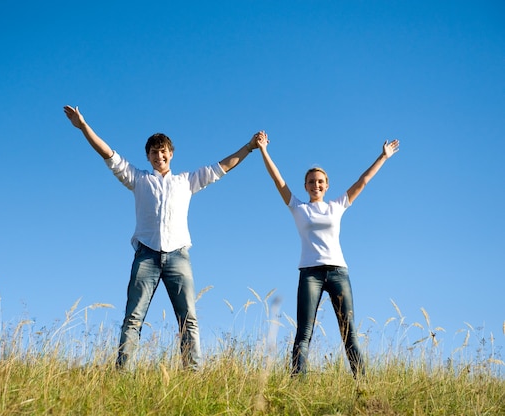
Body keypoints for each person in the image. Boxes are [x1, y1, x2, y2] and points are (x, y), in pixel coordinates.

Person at [64, 105, 264, 370]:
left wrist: (249, 147)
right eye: (154, 152)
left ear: (171, 154)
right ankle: (123, 372)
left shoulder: (187, 180)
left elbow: (223, 166)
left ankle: (192, 373)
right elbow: (107, 153)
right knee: (133, 317)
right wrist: (83, 127)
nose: (159, 155)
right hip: (146, 255)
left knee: (188, 319)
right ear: (148, 157)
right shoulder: (138, 179)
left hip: (178, 256)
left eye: (163, 151)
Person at [256, 132, 400, 377]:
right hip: (310, 274)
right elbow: (278, 180)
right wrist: (263, 151)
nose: (316, 185)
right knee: (304, 332)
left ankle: (362, 383)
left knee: (349, 331)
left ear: (327, 185)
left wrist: (383, 157)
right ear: (305, 186)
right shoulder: (298, 208)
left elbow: (362, 182)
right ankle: (296, 384)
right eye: (311, 182)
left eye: (320, 181)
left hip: (338, 273)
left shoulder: (337, 206)